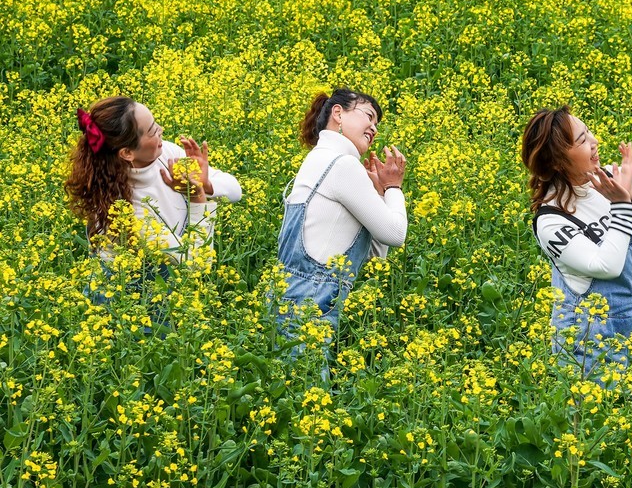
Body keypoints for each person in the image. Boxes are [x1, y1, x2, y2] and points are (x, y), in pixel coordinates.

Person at [521, 106, 632, 381]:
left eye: (588, 132)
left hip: (629, 332)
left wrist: (631, 193)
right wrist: (621, 203)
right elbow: (607, 266)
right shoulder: (550, 220)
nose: (594, 142)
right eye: (582, 141)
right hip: (585, 349)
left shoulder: (611, 179)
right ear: (557, 161)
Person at [65, 96, 243, 298]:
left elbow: (235, 191)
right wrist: (196, 197)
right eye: (152, 130)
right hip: (128, 305)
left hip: (161, 292)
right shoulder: (126, 212)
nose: (161, 130)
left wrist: (206, 184)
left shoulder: (164, 153)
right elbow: (197, 263)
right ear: (127, 153)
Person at [276, 88, 408, 347]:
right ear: (338, 113)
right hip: (311, 301)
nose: (374, 128)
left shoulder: (320, 159)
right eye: (368, 116)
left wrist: (378, 194)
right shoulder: (342, 165)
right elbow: (395, 235)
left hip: (286, 294)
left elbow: (373, 255)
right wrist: (393, 187)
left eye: (376, 124)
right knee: (310, 383)